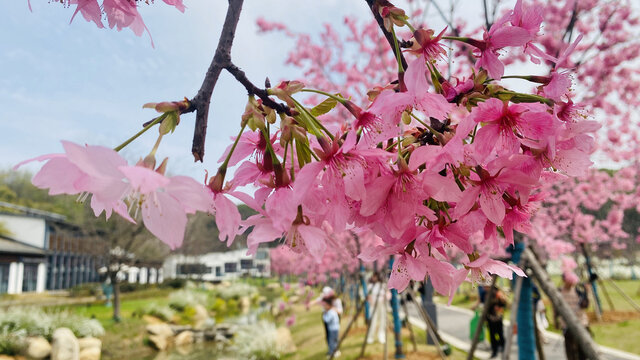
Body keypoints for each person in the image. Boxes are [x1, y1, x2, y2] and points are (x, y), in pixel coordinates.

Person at [560, 271, 590, 360]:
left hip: (582, 324)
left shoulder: (578, 291)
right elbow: (556, 308)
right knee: (571, 352)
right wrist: (556, 321)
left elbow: (585, 305)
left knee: (583, 352)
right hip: (567, 326)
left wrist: (587, 293)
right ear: (564, 280)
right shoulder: (559, 292)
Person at [486, 284, 507, 358]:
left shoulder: (498, 294)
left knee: (500, 334)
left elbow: (504, 303)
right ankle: (495, 351)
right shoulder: (487, 294)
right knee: (493, 336)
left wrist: (498, 306)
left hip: (497, 318)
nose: (485, 288)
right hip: (490, 318)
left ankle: (503, 349)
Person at [366, 272, 387, 344]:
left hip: (381, 304)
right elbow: (368, 296)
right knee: (373, 321)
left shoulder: (383, 285)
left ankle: (381, 336)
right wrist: (371, 302)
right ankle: (370, 337)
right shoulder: (371, 286)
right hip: (373, 305)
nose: (373, 278)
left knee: (382, 320)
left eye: (374, 276)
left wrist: (385, 299)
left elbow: (387, 294)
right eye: (373, 276)